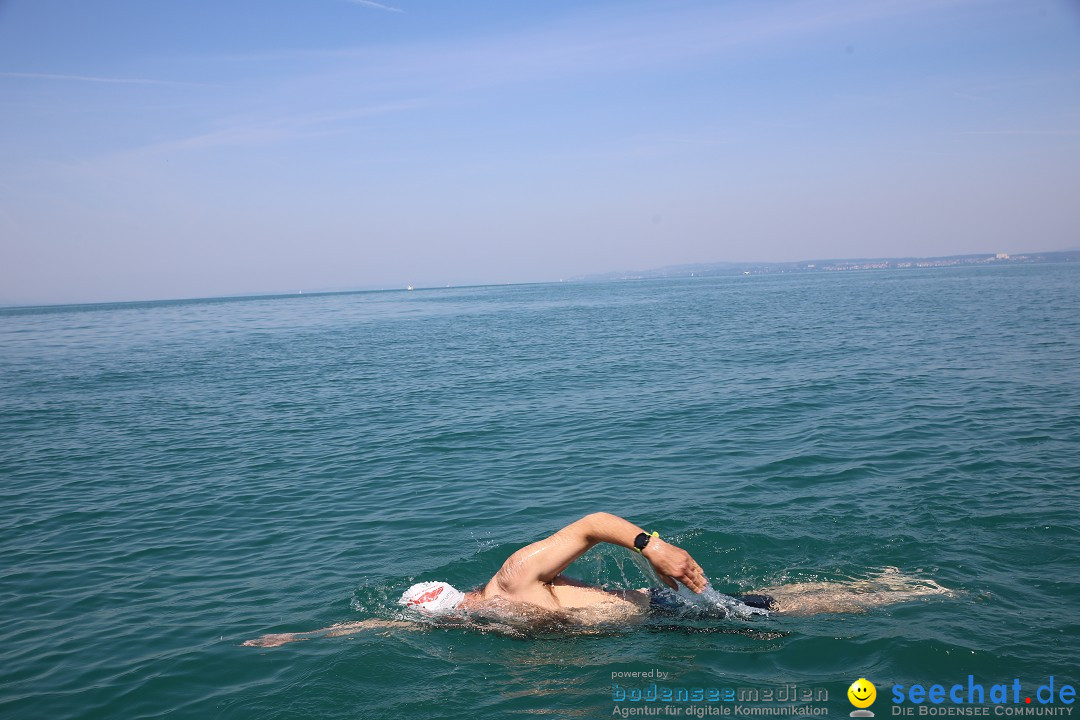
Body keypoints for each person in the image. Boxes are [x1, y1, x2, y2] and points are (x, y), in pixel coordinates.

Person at [243, 512, 951, 647]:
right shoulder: (476, 613)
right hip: (661, 629)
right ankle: (888, 588)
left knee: (801, 609)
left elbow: (590, 522)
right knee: (783, 610)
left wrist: (656, 547)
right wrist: (304, 635)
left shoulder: (513, 580)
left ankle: (905, 591)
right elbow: (381, 624)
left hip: (673, 609)